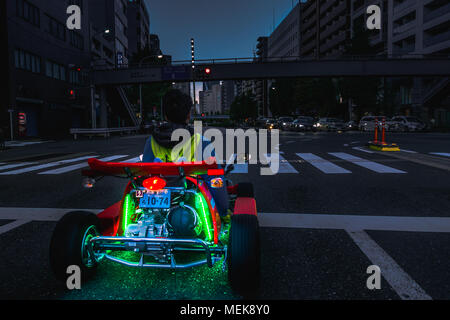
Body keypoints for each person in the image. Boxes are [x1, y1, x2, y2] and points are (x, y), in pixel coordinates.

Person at [142, 89, 229, 217]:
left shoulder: (151, 142)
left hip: (157, 212)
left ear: (165, 116)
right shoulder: (201, 142)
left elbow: (143, 175)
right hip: (192, 209)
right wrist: (223, 210)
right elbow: (215, 182)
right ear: (189, 115)